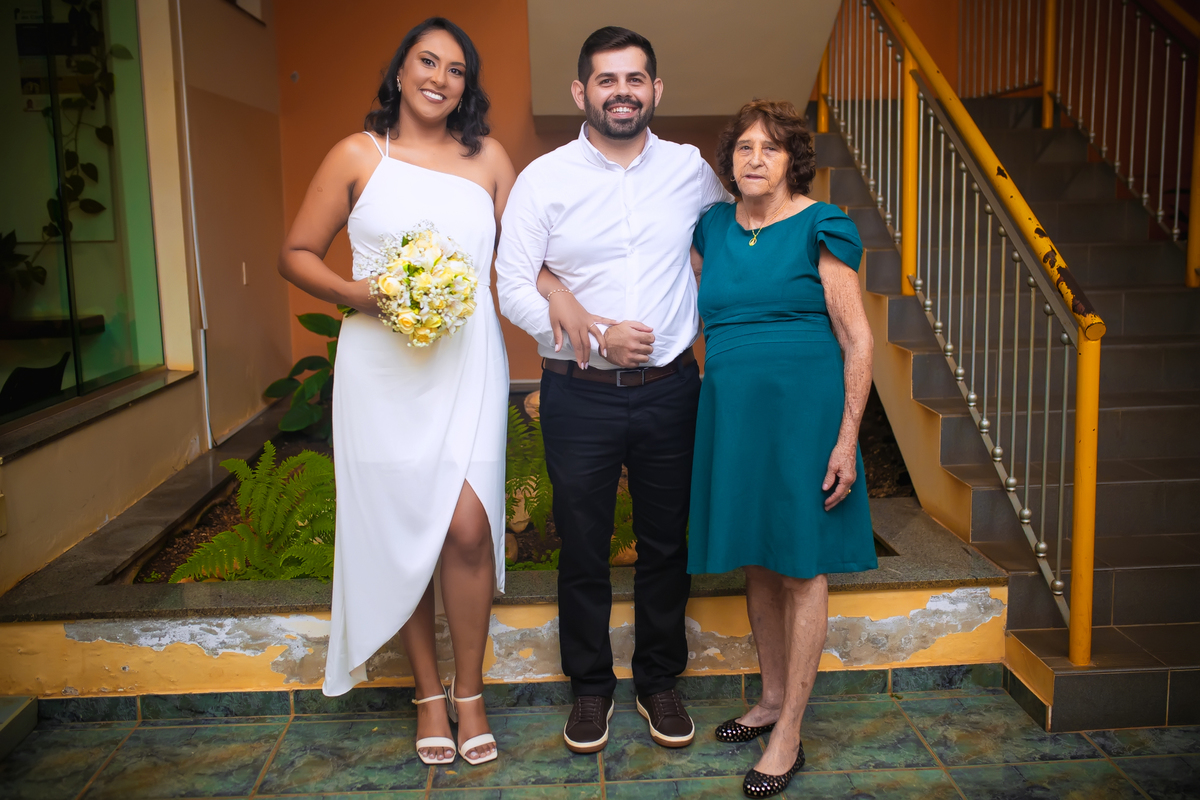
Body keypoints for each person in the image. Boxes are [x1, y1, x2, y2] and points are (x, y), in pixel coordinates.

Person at [277, 17, 515, 767]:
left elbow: (527, 256)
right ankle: (429, 696)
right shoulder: (357, 154)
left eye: (456, 69)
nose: (440, 78)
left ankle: (471, 691)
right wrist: (362, 294)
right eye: (427, 61)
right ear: (402, 70)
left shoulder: (490, 160)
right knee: (402, 528)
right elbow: (296, 252)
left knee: (469, 527)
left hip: (468, 362)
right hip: (381, 368)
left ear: (466, 87)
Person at [496, 26, 729, 754]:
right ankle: (591, 688)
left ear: (655, 90)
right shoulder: (544, 179)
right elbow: (511, 282)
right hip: (578, 393)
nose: (621, 92)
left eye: (634, 79)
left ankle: (659, 681)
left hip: (671, 390)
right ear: (581, 92)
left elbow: (732, 233)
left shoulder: (691, 170)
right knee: (582, 545)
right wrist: (595, 334)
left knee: (665, 543)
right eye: (606, 79)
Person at [687, 99, 877, 798]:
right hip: (734, 415)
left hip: (805, 417)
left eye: (770, 148)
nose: (755, 158)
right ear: (729, 160)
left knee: (801, 565)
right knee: (758, 558)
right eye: (744, 147)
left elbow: (857, 338)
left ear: (792, 160)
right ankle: (769, 700)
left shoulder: (822, 224)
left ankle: (789, 733)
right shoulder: (711, 227)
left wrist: (847, 439)